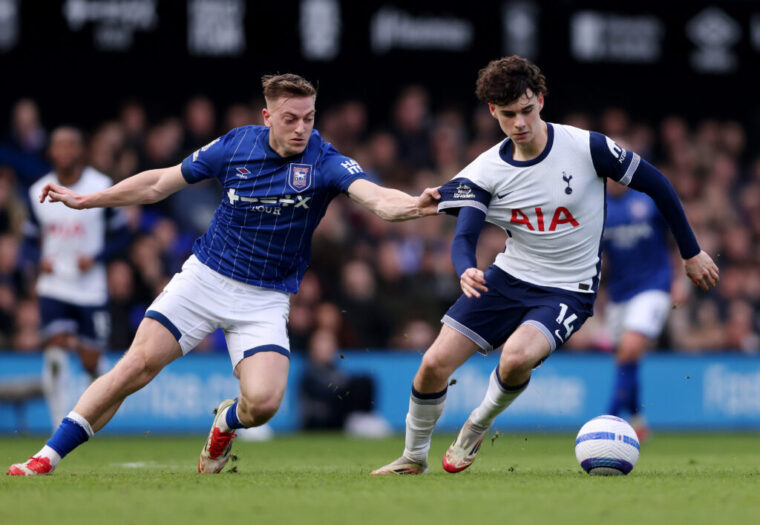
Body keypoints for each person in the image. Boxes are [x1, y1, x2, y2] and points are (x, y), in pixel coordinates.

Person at [8, 74, 440, 476]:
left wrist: (418, 205)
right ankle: (45, 457)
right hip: (205, 279)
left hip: (265, 298)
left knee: (264, 404)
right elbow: (160, 183)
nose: (301, 128)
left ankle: (226, 422)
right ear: (267, 116)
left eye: (309, 118)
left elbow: (377, 199)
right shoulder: (236, 145)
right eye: (290, 119)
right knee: (135, 367)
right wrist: (88, 200)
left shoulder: (324, 160)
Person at [371, 56, 719, 475]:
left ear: (540, 99)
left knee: (515, 358)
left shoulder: (586, 147)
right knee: (432, 365)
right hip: (507, 278)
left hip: (569, 289)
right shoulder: (485, 170)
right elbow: (465, 235)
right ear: (492, 112)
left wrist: (690, 251)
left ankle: (478, 422)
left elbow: (658, 184)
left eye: (526, 110)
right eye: (508, 114)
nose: (519, 123)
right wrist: (465, 267)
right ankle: (413, 457)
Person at [24, 127, 130, 429]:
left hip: (90, 288)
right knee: (55, 352)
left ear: (81, 151)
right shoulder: (38, 191)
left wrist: (96, 257)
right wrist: (38, 259)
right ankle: (60, 422)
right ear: (51, 152)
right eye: (60, 145)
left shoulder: (100, 186)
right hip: (54, 285)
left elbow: (123, 235)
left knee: (90, 361)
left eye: (72, 145)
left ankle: (92, 418)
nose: (66, 151)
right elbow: (28, 241)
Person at [603, 181, 674, 441]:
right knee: (625, 360)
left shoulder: (648, 199)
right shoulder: (597, 204)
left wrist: (681, 278)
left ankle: (607, 421)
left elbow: (675, 235)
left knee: (630, 348)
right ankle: (637, 420)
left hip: (653, 285)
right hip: (619, 292)